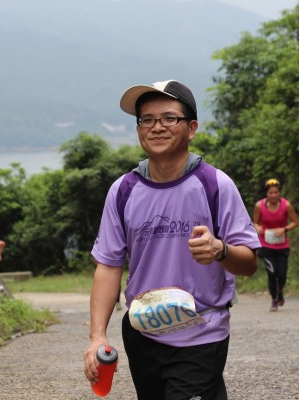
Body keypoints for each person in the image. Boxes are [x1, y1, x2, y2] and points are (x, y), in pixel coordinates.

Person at [83, 79, 261, 399]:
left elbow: (249, 263)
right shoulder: (123, 190)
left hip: (201, 334)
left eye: (169, 118)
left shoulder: (215, 184)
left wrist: (220, 250)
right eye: (147, 120)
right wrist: (97, 336)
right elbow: (108, 265)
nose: (157, 127)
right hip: (142, 335)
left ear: (191, 128)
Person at [252, 178, 299, 311]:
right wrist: (257, 228)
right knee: (272, 273)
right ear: (266, 194)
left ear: (279, 193)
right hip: (266, 246)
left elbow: (295, 222)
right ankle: (274, 299)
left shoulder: (286, 205)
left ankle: (280, 291)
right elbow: (254, 222)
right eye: (271, 193)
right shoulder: (259, 206)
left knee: (281, 274)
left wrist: (284, 229)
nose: (273, 195)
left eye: (276, 192)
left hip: (282, 246)